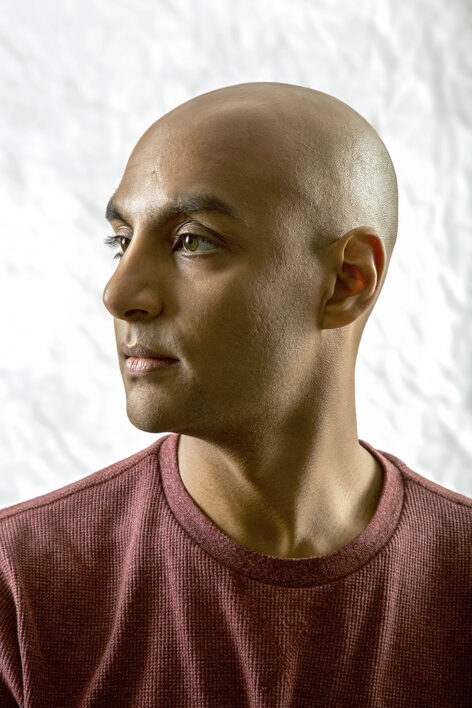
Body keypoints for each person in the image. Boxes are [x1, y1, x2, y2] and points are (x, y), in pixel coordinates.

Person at [1, 82, 470, 707]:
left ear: (345, 282)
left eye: (192, 240)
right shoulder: (18, 588)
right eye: (120, 240)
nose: (118, 293)